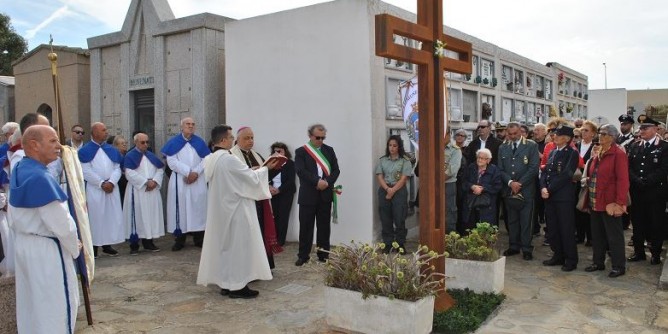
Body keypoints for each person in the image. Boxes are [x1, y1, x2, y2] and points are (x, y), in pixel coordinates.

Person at [8, 125, 80, 333]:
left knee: (32, 307)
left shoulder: (22, 168)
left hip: (26, 245)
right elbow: (61, 223)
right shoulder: (41, 178)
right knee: (55, 308)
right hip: (47, 251)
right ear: (34, 144)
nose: (59, 146)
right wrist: (74, 247)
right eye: (53, 141)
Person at [197, 125, 280, 299]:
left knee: (226, 249)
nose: (232, 139)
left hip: (222, 210)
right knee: (238, 248)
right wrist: (267, 169)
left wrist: (254, 171)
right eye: (230, 137)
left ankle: (226, 283)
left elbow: (237, 176)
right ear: (222, 140)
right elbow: (249, 179)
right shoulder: (229, 159)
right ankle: (238, 286)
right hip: (236, 210)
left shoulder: (212, 158)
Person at [231, 127, 281, 268]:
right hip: (244, 201)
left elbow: (264, 175)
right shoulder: (232, 156)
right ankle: (249, 268)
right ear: (237, 140)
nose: (250, 141)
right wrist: (252, 172)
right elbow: (236, 178)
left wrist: (269, 174)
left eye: (252, 137)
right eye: (246, 138)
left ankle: (263, 267)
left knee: (260, 233)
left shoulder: (257, 155)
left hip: (259, 202)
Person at [582, 124, 629, 277]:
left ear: (612, 137)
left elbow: (623, 180)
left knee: (614, 236)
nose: (600, 136)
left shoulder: (618, 154)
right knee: (597, 235)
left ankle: (618, 266)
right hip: (596, 200)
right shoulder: (599, 152)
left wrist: (620, 202)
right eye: (600, 133)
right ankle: (598, 262)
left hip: (610, 203)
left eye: (604, 134)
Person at [161, 117, 210, 251]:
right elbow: (172, 162)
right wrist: (188, 172)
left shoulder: (199, 142)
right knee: (180, 208)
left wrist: (195, 173)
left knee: (198, 208)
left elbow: (206, 159)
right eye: (188, 124)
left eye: (193, 124)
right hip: (180, 180)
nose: (191, 126)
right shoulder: (173, 143)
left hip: (197, 180)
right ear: (181, 126)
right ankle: (180, 239)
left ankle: (199, 238)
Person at [295, 124, 340, 266]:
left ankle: (323, 254)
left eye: (323, 138)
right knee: (306, 227)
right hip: (308, 195)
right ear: (310, 136)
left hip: (325, 195)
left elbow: (336, 170)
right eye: (317, 137)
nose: (320, 140)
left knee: (324, 227)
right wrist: (317, 181)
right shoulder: (301, 151)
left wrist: (326, 182)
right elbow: (301, 171)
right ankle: (303, 255)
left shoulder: (329, 150)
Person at [627, 115, 668, 265]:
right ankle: (639, 252)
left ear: (656, 129)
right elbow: (629, 167)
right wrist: (637, 180)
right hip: (637, 191)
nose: (642, 130)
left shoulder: (664, 147)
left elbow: (664, 169)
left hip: (655, 192)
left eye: (646, 128)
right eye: (641, 128)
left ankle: (655, 253)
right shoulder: (635, 146)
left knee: (655, 223)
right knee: (637, 223)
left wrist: (647, 180)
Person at [79, 122, 125, 257]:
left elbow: (117, 168)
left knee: (109, 217)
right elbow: (85, 170)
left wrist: (111, 182)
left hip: (112, 188)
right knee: (95, 218)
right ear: (95, 133)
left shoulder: (111, 150)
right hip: (95, 189)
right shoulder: (85, 151)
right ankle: (93, 247)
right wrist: (101, 183)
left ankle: (107, 244)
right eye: (103, 130)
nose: (106, 132)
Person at [497, 122, 540, 260]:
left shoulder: (531, 145)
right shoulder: (503, 147)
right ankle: (514, 246)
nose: (513, 136)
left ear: (521, 132)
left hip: (526, 190)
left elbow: (533, 168)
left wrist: (520, 183)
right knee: (512, 220)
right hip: (509, 189)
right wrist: (510, 182)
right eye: (510, 134)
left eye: (515, 133)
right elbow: (500, 169)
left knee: (526, 220)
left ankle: (526, 248)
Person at [540, 125, 579, 271]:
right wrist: (543, 186)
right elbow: (545, 171)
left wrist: (548, 189)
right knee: (553, 228)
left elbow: (566, 174)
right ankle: (557, 255)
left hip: (563, 197)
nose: (554, 136)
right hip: (550, 196)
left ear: (567, 138)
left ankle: (570, 259)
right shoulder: (552, 152)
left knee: (566, 228)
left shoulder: (571, 153)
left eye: (558, 134)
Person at [122, 132, 165, 255]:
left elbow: (160, 169)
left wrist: (155, 181)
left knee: (150, 216)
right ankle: (134, 244)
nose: (145, 144)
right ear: (135, 142)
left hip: (151, 191)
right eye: (142, 142)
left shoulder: (151, 155)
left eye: (147, 142)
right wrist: (145, 182)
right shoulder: (130, 156)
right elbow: (129, 173)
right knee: (137, 216)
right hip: (137, 191)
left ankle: (148, 242)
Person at [375, 135, 413, 251]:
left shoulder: (405, 161)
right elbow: (379, 176)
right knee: (385, 217)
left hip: (399, 191)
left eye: (394, 146)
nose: (392, 148)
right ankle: (388, 243)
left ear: (399, 147)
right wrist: (387, 189)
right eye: (390, 145)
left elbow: (403, 179)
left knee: (399, 217)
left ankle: (400, 243)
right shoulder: (383, 160)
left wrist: (392, 190)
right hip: (384, 189)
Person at [461, 148, 502, 230]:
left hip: (487, 205)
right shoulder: (471, 167)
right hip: (471, 204)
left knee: (485, 230)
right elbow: (464, 182)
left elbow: (497, 187)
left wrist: (483, 189)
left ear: (488, 160)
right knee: (471, 229)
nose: (479, 160)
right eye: (478, 157)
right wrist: (472, 186)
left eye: (482, 158)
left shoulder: (494, 170)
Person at [575, 120, 598, 246]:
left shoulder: (595, 147)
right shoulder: (576, 145)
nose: (583, 132)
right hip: (576, 181)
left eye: (586, 130)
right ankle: (579, 235)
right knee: (577, 209)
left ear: (593, 134)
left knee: (588, 210)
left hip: (589, 181)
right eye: (582, 130)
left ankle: (590, 237)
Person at [269, 142, 296, 246]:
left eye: (279, 151)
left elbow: (290, 181)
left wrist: (279, 190)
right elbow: (266, 177)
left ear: (285, 152)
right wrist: (270, 186)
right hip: (272, 192)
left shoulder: (290, 164)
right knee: (274, 216)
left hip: (285, 193)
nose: (277, 153)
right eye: (275, 151)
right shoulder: (270, 164)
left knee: (283, 216)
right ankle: (274, 238)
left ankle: (281, 240)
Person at [443, 132, 462, 233]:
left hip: (448, 185)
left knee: (449, 211)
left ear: (449, 135)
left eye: (444, 134)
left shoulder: (455, 150)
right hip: (433, 185)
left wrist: (436, 181)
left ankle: (449, 240)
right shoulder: (433, 148)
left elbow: (451, 170)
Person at [453, 129, 469, 234]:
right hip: (453, 180)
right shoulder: (451, 149)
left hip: (464, 180)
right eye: (458, 135)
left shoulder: (467, 150)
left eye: (462, 135)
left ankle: (463, 229)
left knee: (463, 205)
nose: (460, 137)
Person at [111, 135, 129, 206]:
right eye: (122, 143)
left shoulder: (128, 155)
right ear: (116, 145)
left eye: (125, 143)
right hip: (118, 184)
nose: (124, 144)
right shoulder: (114, 156)